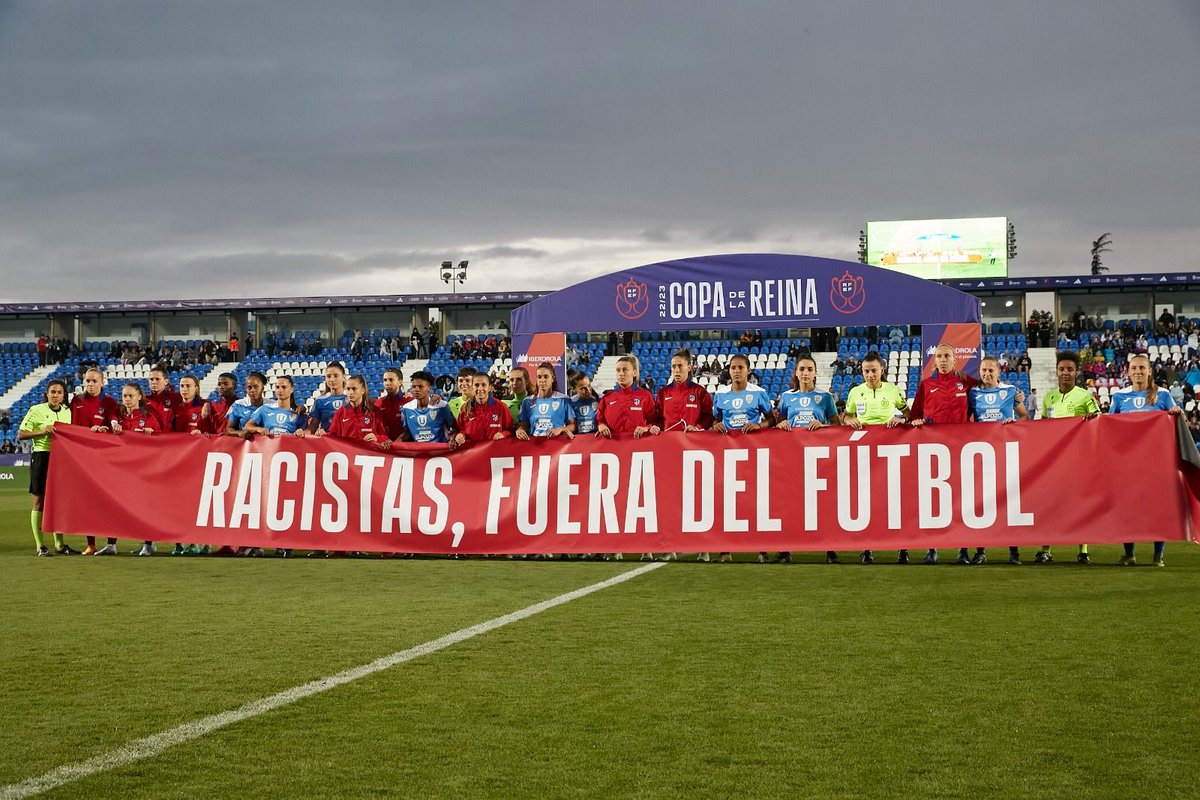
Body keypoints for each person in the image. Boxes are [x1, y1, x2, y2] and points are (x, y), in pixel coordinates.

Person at [910, 344, 979, 564]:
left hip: (961, 450)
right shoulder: (926, 385)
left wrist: (1015, 396)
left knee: (962, 501)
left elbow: (989, 395)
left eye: (946, 356)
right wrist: (917, 421)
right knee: (934, 501)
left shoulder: (967, 382)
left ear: (954, 359)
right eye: (938, 356)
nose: (942, 360)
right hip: (934, 450)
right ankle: (931, 549)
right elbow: (914, 416)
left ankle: (963, 549)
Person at [1110, 353, 1181, 567]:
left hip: (1156, 464)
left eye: (1142, 368)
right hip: (1127, 464)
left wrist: (1177, 413)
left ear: (1150, 370)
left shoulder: (1164, 395)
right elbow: (1109, 426)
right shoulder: (1119, 397)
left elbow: (1178, 424)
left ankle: (1158, 554)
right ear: (1128, 372)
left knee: (1157, 509)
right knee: (1127, 508)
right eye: (1134, 368)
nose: (1138, 371)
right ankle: (1129, 553)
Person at [843, 351, 910, 564]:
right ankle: (867, 548)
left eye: (874, 370)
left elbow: (908, 413)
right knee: (865, 501)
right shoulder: (855, 392)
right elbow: (846, 415)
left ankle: (902, 548)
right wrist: (849, 421)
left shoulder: (893, 390)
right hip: (864, 454)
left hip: (892, 452)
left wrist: (900, 420)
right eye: (866, 371)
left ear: (882, 370)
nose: (870, 375)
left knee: (896, 500)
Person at [776, 354, 841, 564]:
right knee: (790, 504)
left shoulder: (825, 397)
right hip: (793, 457)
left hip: (820, 458)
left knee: (823, 503)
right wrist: (781, 425)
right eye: (801, 369)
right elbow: (778, 423)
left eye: (809, 369)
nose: (805, 373)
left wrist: (823, 427)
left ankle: (830, 548)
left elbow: (837, 427)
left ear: (815, 373)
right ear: (796, 372)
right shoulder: (786, 397)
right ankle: (786, 549)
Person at [711, 353, 776, 562]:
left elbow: (772, 420)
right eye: (733, 367)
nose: (736, 371)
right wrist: (716, 425)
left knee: (756, 501)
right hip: (728, 455)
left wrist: (759, 426)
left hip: (753, 454)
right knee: (728, 501)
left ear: (748, 370)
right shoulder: (721, 395)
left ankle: (761, 547)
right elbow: (714, 421)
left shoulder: (758, 393)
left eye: (740, 367)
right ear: (728, 371)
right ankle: (725, 549)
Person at [1037, 351, 1100, 564]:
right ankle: (1045, 549)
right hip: (1055, 461)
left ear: (1076, 372)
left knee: (1078, 504)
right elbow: (1043, 428)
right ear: (1056, 371)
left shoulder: (1085, 396)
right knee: (1051, 504)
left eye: (1070, 369)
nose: (1065, 373)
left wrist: (1093, 419)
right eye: (1062, 369)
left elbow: (1100, 422)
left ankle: (1083, 550)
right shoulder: (1048, 397)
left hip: (1079, 460)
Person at [968, 355, 1029, 565]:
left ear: (998, 372)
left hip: (1005, 453)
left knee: (1010, 503)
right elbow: (966, 420)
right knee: (981, 505)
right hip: (981, 455)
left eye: (990, 371)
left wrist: (1015, 422)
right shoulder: (973, 393)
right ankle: (980, 550)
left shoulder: (1010, 391)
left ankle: (1014, 552)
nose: (986, 374)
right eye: (983, 370)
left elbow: (1023, 416)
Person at [17, 379, 75, 556]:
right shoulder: (36, 410)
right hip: (42, 456)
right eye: (52, 392)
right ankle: (40, 545)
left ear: (64, 395)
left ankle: (60, 544)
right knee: (39, 500)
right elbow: (21, 434)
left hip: (61, 458)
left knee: (58, 502)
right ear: (47, 393)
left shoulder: (67, 411)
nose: (56, 395)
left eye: (59, 392)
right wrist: (43, 431)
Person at [69, 367, 122, 555]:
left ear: (102, 382)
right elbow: (71, 427)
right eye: (87, 381)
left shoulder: (109, 402)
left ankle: (111, 543)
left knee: (109, 501)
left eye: (94, 381)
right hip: (81, 457)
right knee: (87, 502)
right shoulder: (76, 401)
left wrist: (111, 424)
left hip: (103, 458)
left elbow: (114, 419)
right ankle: (91, 544)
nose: (90, 384)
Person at [109, 382, 165, 557]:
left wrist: (152, 436)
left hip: (143, 470)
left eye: (130, 395)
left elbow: (162, 442)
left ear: (140, 396)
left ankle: (147, 544)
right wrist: (108, 427)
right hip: (121, 469)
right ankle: (111, 544)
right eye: (124, 396)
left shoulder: (149, 417)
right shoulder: (117, 416)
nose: (127, 399)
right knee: (115, 506)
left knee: (145, 507)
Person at [328, 375, 390, 449]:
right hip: (349, 455)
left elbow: (385, 436)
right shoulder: (340, 412)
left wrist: (377, 438)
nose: (350, 392)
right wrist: (323, 434)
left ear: (363, 390)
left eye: (354, 389)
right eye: (348, 389)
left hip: (369, 456)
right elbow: (332, 437)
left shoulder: (374, 411)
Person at [517, 363, 576, 440]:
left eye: (546, 377)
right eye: (539, 377)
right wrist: (520, 430)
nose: (542, 380)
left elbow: (573, 425)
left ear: (552, 378)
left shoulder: (564, 399)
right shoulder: (527, 401)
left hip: (557, 446)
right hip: (535, 446)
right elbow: (524, 425)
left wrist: (561, 429)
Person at [397, 370, 456, 444]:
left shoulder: (442, 406)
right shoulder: (407, 408)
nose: (416, 390)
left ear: (429, 388)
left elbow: (454, 427)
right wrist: (397, 442)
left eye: (420, 386)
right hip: (420, 452)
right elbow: (408, 432)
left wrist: (453, 438)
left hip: (440, 452)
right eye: (414, 386)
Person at [454, 372, 514, 444]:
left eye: (483, 385)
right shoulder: (465, 408)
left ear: (489, 388)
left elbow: (511, 429)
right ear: (472, 387)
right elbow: (460, 429)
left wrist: (503, 434)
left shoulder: (501, 407)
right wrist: (461, 435)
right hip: (473, 453)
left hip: (495, 452)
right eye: (476, 385)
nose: (480, 388)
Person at [307, 361, 348, 436]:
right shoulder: (320, 401)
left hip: (346, 445)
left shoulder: (351, 400)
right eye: (328, 376)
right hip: (327, 445)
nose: (332, 379)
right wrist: (300, 433)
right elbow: (312, 429)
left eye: (336, 376)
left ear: (343, 377)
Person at [225, 371, 270, 437]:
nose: (252, 390)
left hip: (268, 445)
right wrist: (239, 433)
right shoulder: (238, 405)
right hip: (246, 445)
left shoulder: (272, 405)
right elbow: (228, 429)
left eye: (256, 387)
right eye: (249, 387)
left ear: (262, 388)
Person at [146, 365, 183, 432]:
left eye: (157, 379)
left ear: (166, 381)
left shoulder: (176, 398)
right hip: (151, 439)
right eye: (151, 379)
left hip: (169, 439)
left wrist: (206, 404)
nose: (153, 382)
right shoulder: (144, 400)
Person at [567, 372, 600, 436]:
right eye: (583, 388)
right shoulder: (570, 402)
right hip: (578, 441)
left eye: (589, 385)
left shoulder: (599, 399)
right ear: (574, 389)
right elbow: (571, 425)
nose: (588, 390)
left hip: (597, 440)